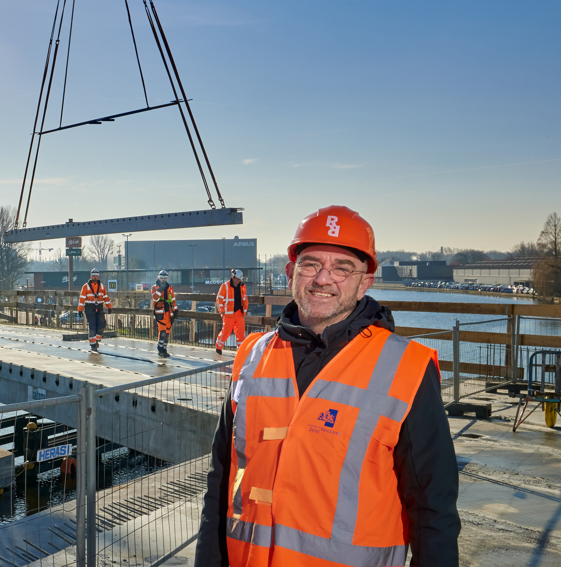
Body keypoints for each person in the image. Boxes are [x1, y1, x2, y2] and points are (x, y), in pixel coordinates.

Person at [195, 206, 459, 567]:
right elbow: (221, 477)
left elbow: (433, 508)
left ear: (365, 281)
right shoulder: (252, 355)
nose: (323, 279)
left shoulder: (406, 368)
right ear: (290, 272)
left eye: (342, 268)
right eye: (311, 264)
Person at [215, 269, 249, 354]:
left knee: (241, 333)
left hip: (239, 313)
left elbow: (244, 299)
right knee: (226, 332)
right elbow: (219, 299)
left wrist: (244, 310)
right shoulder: (225, 286)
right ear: (233, 277)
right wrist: (222, 311)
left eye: (240, 279)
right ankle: (218, 347)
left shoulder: (242, 287)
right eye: (237, 279)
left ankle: (241, 351)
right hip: (228, 314)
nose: (238, 280)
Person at [78, 269, 111, 352]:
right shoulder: (86, 286)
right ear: (90, 276)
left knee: (102, 324)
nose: (95, 277)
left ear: (98, 276)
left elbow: (105, 297)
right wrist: (80, 310)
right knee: (92, 326)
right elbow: (82, 299)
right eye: (93, 275)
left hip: (99, 307)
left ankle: (97, 339)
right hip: (89, 307)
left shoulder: (102, 286)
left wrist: (109, 307)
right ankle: (93, 345)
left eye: (96, 275)